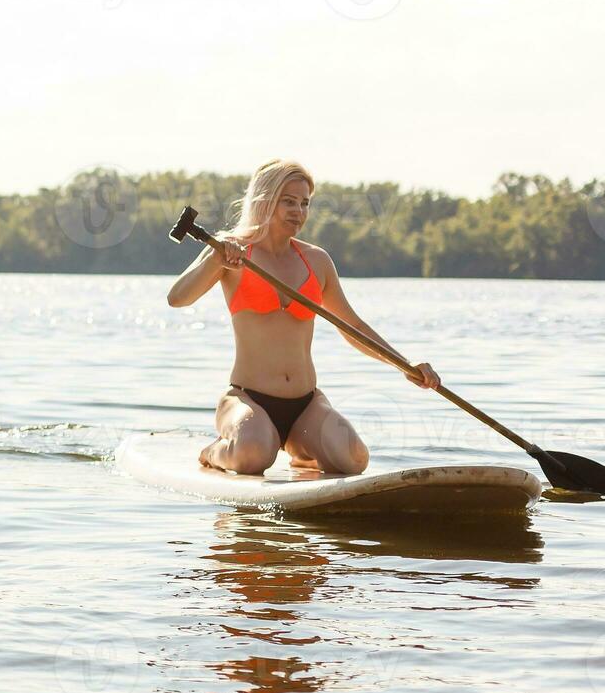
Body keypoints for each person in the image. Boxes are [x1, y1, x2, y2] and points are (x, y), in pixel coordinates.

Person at [166, 159, 441, 475]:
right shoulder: (230, 249)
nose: (298, 211)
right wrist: (216, 260)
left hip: (305, 404)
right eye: (288, 201)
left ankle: (300, 449)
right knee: (254, 455)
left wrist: (405, 365)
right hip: (247, 400)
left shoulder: (316, 260)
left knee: (354, 459)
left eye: (304, 203)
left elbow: (352, 326)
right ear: (265, 200)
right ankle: (215, 452)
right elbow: (177, 298)